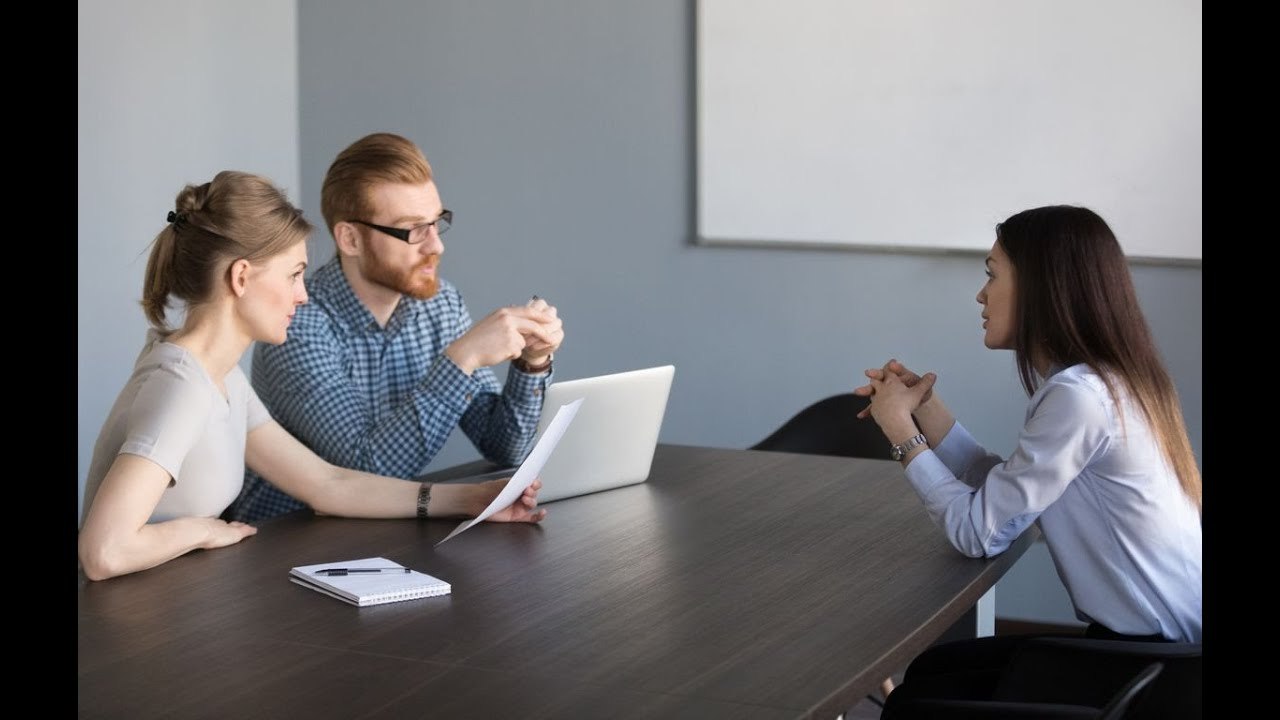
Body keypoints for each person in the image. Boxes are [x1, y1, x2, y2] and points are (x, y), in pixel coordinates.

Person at [78, 171, 547, 582]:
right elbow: (103, 553)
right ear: (241, 278)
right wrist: (201, 529)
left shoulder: (221, 380)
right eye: (294, 275)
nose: (303, 295)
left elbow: (326, 485)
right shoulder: (180, 387)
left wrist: (472, 501)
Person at [854, 205, 1201, 714]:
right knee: (930, 670)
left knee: (918, 699)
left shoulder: (1080, 398)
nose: (980, 294)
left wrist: (901, 433)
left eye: (992, 275)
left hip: (1152, 668)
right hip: (1164, 652)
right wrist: (927, 412)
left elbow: (979, 532)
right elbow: (1008, 496)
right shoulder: (1108, 382)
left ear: (1043, 288)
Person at [227, 133, 564, 523]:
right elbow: (368, 469)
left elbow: (506, 449)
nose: (435, 246)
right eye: (412, 230)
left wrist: (532, 363)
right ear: (350, 238)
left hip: (392, 533)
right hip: (282, 545)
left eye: (437, 223)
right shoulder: (298, 324)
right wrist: (462, 358)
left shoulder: (441, 306)